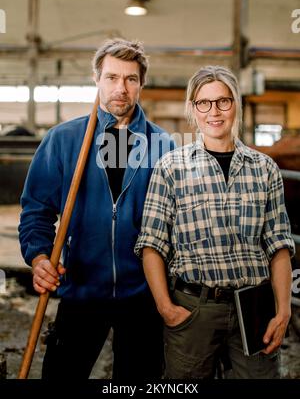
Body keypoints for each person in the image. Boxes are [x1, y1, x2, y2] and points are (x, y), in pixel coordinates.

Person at [19, 38, 175, 380]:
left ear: (141, 84)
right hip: (82, 288)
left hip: (143, 293)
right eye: (112, 77)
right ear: (96, 79)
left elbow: (175, 222)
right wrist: (40, 258)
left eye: (131, 79)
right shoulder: (63, 140)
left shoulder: (163, 145)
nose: (121, 87)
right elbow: (36, 211)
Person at [135, 65, 295, 379]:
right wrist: (166, 308)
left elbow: (279, 247)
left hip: (254, 306)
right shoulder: (171, 168)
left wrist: (284, 309)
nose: (214, 111)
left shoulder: (265, 168)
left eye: (223, 101)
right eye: (203, 103)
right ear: (192, 110)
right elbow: (152, 245)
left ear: (237, 104)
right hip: (194, 308)